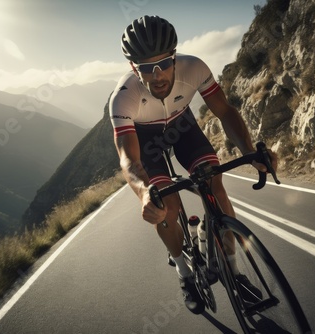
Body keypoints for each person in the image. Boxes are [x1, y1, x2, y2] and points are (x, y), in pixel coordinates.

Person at [109, 15, 277, 314]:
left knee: (214, 184)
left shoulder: (195, 67)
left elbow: (224, 111)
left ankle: (234, 273)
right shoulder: (123, 98)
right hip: (145, 142)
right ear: (134, 68)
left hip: (182, 126)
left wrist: (252, 153)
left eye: (164, 64)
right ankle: (184, 274)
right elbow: (129, 159)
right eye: (146, 68)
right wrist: (145, 192)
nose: (157, 75)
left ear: (175, 57)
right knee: (167, 208)